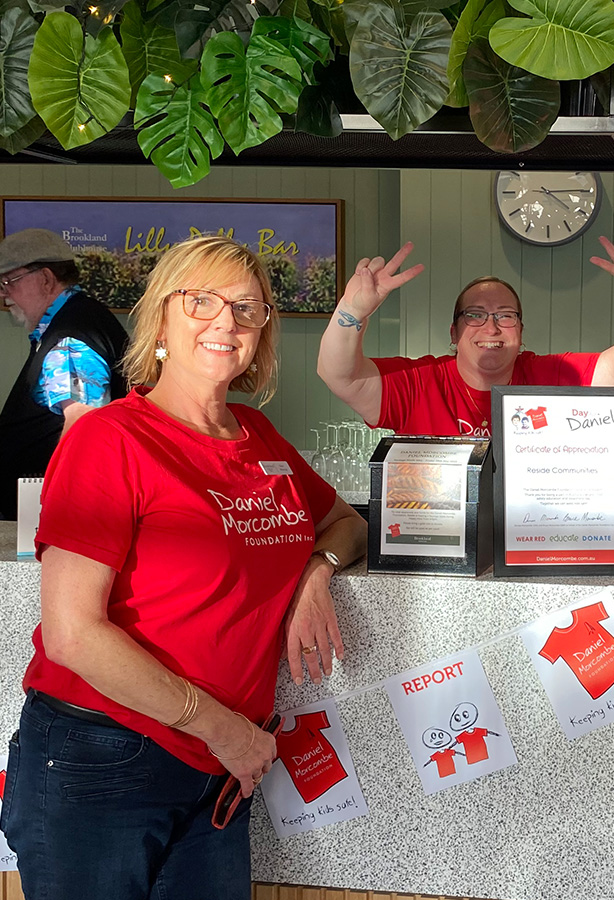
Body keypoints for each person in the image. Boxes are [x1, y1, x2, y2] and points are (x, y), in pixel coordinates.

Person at [0, 235, 367, 898]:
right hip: (103, 757)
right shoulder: (109, 439)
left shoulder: (259, 438)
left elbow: (346, 521)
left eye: (247, 309)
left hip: (218, 769)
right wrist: (225, 731)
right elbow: (73, 635)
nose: (225, 321)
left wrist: (318, 573)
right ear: (161, 318)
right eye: (202, 301)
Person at [317, 237, 614, 436]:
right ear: (454, 332)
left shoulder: (547, 376)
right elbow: (338, 375)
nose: (491, 328)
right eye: (475, 316)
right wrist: (353, 310)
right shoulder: (418, 383)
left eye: (505, 316)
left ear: (521, 333)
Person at [0, 228, 130, 519]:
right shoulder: (78, 318)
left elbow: (84, 428)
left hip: (47, 517)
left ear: (45, 279)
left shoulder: (70, 338)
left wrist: (67, 519)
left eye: (10, 281)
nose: (3, 293)